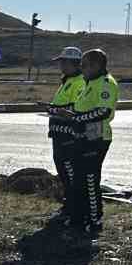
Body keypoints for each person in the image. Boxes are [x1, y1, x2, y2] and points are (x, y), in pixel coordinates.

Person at [65, 47, 118, 238]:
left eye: (85, 65)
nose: (82, 68)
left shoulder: (106, 83)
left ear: (96, 65)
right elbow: (82, 107)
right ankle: (79, 217)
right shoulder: (89, 82)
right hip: (81, 137)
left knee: (90, 179)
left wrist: (77, 118)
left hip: (97, 138)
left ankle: (95, 219)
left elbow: (103, 111)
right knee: (78, 179)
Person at [43, 47, 84, 222]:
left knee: (70, 173)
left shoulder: (80, 82)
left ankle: (74, 209)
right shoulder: (67, 80)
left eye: (63, 62)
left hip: (69, 136)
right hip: (59, 134)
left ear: (72, 63)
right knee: (64, 172)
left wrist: (54, 109)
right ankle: (68, 207)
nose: (60, 65)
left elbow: (77, 109)